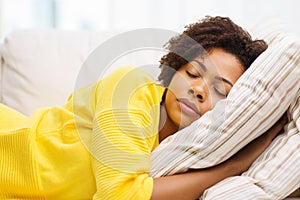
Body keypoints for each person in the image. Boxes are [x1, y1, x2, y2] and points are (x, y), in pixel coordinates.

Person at [0, 16, 285, 199]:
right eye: (193, 74)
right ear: (174, 70)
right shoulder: (130, 88)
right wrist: (233, 167)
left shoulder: (186, 149)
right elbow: (119, 195)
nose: (198, 90)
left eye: (220, 90)